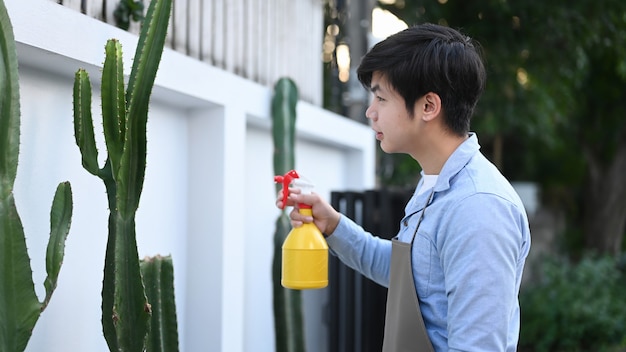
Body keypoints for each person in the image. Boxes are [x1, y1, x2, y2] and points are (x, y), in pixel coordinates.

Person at [277, 23, 531, 351]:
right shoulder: (437, 183)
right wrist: (333, 225)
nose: (371, 112)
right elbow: (410, 279)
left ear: (428, 106)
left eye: (381, 98)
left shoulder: (478, 207)